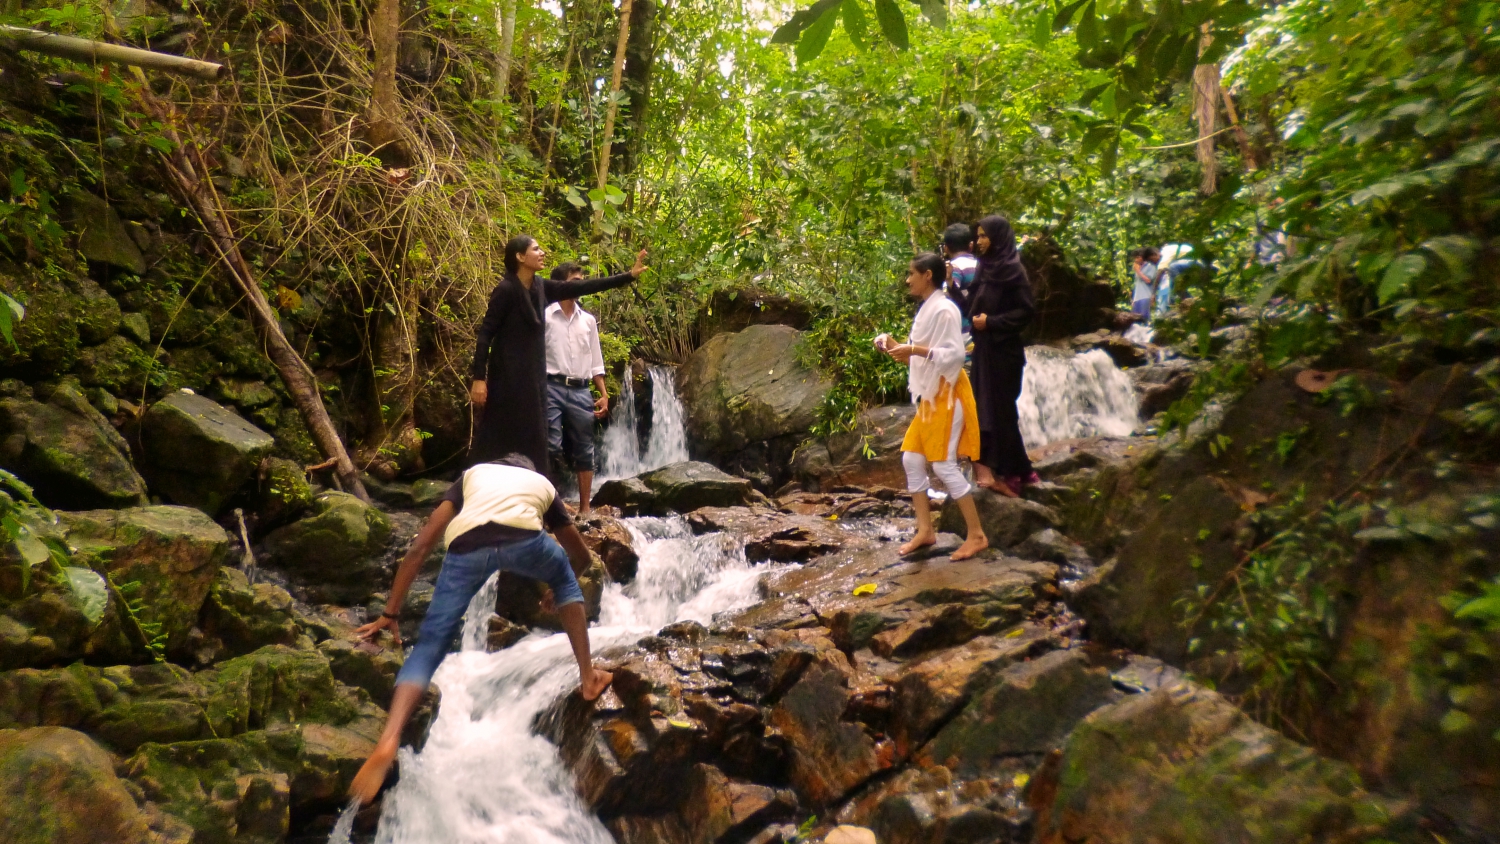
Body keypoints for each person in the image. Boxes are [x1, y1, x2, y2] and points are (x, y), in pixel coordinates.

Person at [347, 453, 613, 805]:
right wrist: (555, 589)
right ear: (526, 472)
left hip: (467, 546)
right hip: (526, 540)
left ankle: (388, 740)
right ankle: (588, 677)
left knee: (428, 646)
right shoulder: (541, 485)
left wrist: (390, 613)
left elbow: (421, 546)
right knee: (566, 581)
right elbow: (581, 557)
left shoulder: (471, 477)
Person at [469, 237, 646, 472]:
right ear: (520, 257)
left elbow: (584, 286)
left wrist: (628, 276)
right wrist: (479, 378)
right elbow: (485, 334)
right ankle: (481, 487)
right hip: (506, 378)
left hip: (533, 379)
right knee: (501, 433)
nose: (542, 252)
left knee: (535, 439)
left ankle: (535, 495)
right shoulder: (506, 290)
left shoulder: (542, 287)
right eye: (535, 249)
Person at [875, 253, 989, 561]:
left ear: (927, 275)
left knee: (942, 465)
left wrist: (911, 349)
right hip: (930, 396)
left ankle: (977, 535)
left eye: (911, 273)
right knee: (912, 459)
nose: (908, 279)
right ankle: (925, 531)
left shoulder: (945, 309)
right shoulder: (929, 308)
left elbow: (953, 355)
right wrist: (896, 344)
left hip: (948, 394)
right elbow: (926, 352)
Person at [967, 215, 1036, 498]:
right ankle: (1019, 470)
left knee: (1002, 413)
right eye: (979, 236)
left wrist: (992, 323)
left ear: (999, 238)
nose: (980, 241)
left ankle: (1012, 475)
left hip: (1004, 353)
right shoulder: (985, 268)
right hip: (984, 351)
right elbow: (972, 310)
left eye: (985, 236)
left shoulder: (1013, 270)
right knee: (986, 412)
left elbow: (1025, 311)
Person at [544, 262, 609, 515]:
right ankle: (550, 506)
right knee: (550, 446)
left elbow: (596, 360)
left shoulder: (588, 321)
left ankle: (585, 509)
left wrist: (603, 394)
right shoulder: (545, 317)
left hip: (581, 390)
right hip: (551, 386)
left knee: (584, 448)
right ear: (560, 284)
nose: (580, 284)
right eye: (575, 280)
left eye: (582, 280)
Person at [941, 222, 979, 336]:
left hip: (963, 333)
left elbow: (947, 300)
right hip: (983, 329)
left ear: (946, 248)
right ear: (971, 245)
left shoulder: (953, 269)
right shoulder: (983, 265)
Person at [1130, 247, 1162, 321]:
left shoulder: (1151, 267)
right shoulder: (1139, 268)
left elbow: (1148, 280)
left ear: (1143, 257)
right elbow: (1137, 285)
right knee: (1135, 319)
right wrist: (1133, 299)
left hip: (1146, 296)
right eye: (1135, 258)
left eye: (1138, 257)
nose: (1136, 260)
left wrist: (1138, 271)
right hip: (1137, 297)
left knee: (1144, 318)